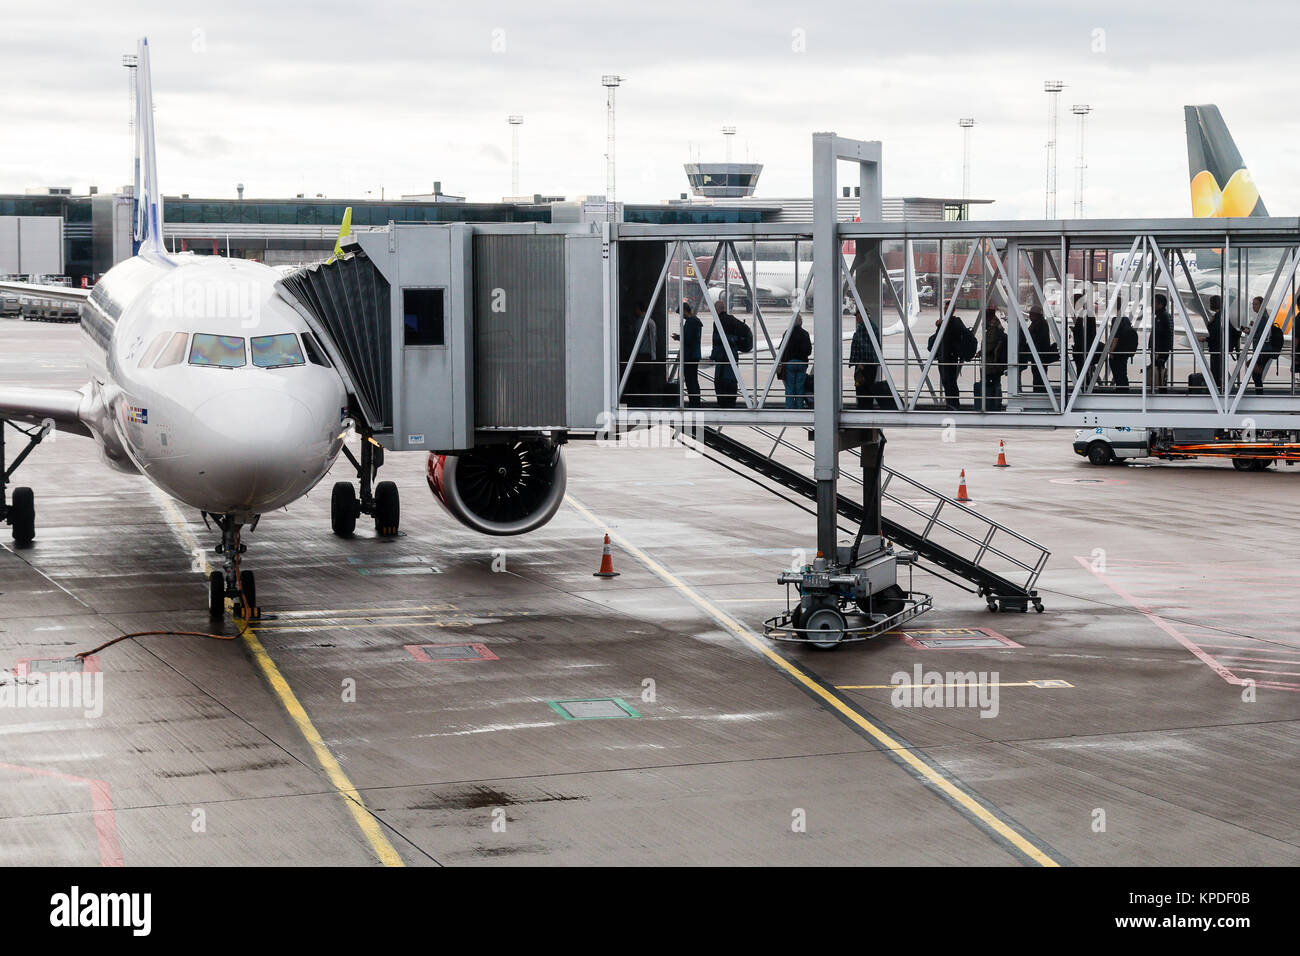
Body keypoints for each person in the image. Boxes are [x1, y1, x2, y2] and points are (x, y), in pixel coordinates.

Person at [709, 296, 747, 407]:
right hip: (733, 356)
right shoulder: (733, 320)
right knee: (732, 380)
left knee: (720, 382)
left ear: (717, 310)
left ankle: (722, 403)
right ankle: (731, 403)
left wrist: (713, 356)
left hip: (722, 358)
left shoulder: (717, 322)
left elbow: (716, 341)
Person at [927, 305, 967, 409]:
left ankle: (953, 404)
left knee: (950, 382)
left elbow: (951, 335)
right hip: (944, 356)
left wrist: (941, 325)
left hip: (949, 357)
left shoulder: (954, 322)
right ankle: (951, 404)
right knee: (947, 381)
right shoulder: (952, 323)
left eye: (946, 308)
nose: (945, 310)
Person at [1247, 296, 1283, 393]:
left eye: (1256, 304)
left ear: (1261, 305)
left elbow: (1261, 335)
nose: (1253, 306)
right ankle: (1259, 393)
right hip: (1263, 350)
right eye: (1253, 304)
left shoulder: (1263, 318)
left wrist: (1250, 331)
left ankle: (1259, 394)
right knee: (1255, 373)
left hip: (1263, 350)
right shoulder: (1262, 317)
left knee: (1255, 374)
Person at [671, 301, 703, 407]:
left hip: (690, 356)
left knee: (690, 381)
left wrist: (678, 337)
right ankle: (695, 401)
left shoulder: (690, 322)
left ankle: (694, 402)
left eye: (681, 313)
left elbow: (688, 339)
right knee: (693, 379)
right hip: (694, 355)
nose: (682, 316)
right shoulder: (695, 322)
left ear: (685, 311)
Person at [1018, 305, 1057, 393]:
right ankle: (1038, 390)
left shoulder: (1040, 324)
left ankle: (1039, 391)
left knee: (1039, 376)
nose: (1030, 316)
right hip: (1038, 356)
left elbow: (1035, 338)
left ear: (1037, 315)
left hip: (1040, 355)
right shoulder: (1038, 323)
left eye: (1032, 314)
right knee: (1038, 375)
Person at [849, 308, 880, 409]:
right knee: (867, 388)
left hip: (864, 366)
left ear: (862, 316)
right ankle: (866, 408)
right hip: (869, 365)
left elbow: (866, 347)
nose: (856, 319)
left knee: (862, 388)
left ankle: (863, 408)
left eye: (857, 316)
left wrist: (861, 364)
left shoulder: (865, 328)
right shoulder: (870, 326)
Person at [780, 314, 812, 409]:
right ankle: (799, 406)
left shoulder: (787, 333)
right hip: (802, 363)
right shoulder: (805, 334)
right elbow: (808, 351)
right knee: (800, 387)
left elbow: (782, 348)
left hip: (789, 363)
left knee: (789, 387)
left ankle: (789, 407)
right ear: (801, 322)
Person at [978, 309, 1007, 410]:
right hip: (995, 364)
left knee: (991, 384)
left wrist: (980, 353)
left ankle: (992, 405)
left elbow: (990, 346)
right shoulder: (997, 328)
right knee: (996, 383)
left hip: (991, 364)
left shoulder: (993, 330)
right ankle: (995, 404)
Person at [1071, 292, 1097, 381]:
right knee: (1085, 371)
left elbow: (1086, 332)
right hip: (1085, 347)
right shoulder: (1087, 313)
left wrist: (1075, 330)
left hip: (1083, 348)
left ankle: (1084, 386)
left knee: (1082, 371)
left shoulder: (1084, 314)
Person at [1110, 312, 1138, 391]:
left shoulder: (1116, 321)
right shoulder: (1126, 322)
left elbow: (1116, 338)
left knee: (1117, 372)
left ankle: (1121, 389)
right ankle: (1124, 388)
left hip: (1117, 353)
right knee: (1122, 372)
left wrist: (1111, 351)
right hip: (1125, 353)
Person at [1151, 293, 1174, 390]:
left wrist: (1157, 350)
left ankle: (1161, 388)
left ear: (1160, 304)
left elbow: (1164, 334)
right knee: (1159, 369)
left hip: (1160, 349)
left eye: (1154, 303)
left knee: (1159, 369)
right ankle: (1160, 387)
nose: (1152, 305)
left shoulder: (1163, 317)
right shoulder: (1162, 316)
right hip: (1160, 349)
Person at [1206, 294, 1227, 388]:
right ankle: (1218, 386)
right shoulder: (1219, 315)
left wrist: (1206, 339)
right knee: (1217, 369)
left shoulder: (1218, 316)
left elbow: (1216, 333)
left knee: (1216, 370)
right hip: (1217, 346)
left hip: (1216, 347)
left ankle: (1218, 388)